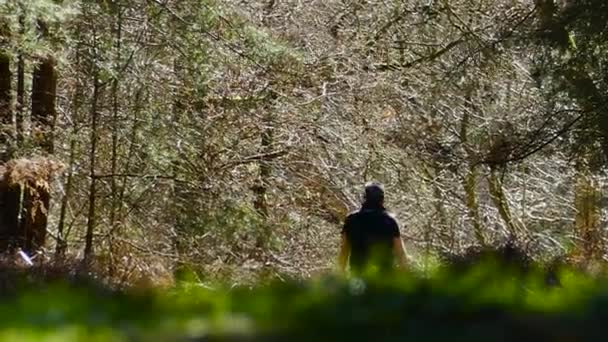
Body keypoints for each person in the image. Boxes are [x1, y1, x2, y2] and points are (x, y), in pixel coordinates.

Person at [338, 182, 408, 275]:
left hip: (358, 277)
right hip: (383, 278)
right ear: (382, 199)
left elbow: (344, 250)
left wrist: (340, 275)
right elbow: (400, 253)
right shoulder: (389, 220)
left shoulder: (351, 219)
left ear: (364, 198)